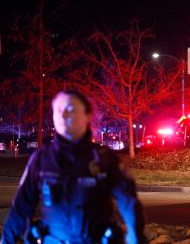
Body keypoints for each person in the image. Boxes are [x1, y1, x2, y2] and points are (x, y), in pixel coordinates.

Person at [1, 90, 146, 244]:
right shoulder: (41, 159)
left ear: (87, 116)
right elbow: (21, 207)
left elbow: (128, 202)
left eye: (70, 109)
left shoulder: (105, 159)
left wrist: (135, 237)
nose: (63, 115)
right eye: (58, 110)